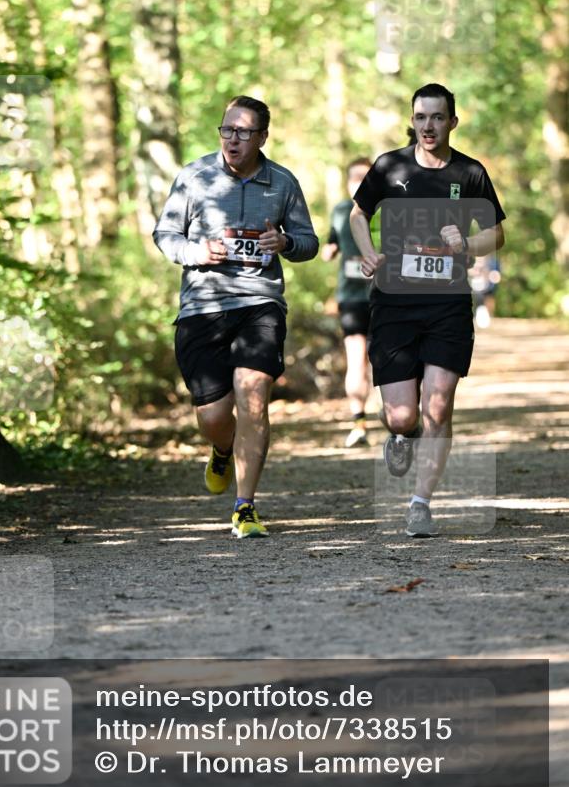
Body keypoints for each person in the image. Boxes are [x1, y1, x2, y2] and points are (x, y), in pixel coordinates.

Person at [153, 95, 319, 539]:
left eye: (244, 132)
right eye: (227, 129)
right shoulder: (194, 176)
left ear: (263, 136)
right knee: (212, 416)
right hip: (202, 305)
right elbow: (165, 233)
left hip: (260, 303)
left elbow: (309, 242)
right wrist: (194, 251)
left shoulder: (281, 182)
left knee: (254, 397)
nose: (233, 139)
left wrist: (285, 243)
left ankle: (245, 507)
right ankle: (222, 449)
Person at [350, 83, 506, 537]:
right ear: (412, 121)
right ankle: (400, 434)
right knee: (403, 415)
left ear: (452, 122)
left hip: (447, 304)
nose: (429, 126)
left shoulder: (470, 173)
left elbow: (496, 233)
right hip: (395, 304)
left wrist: (468, 243)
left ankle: (421, 503)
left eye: (437, 117)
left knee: (439, 406)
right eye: (421, 117)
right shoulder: (389, 166)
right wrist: (369, 252)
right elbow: (359, 214)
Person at [322, 158, 374, 448]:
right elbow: (332, 244)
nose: (359, 183)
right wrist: (327, 252)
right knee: (356, 359)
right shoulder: (341, 211)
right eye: (354, 178)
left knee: (387, 361)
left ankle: (399, 419)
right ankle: (359, 423)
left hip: (386, 296)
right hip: (352, 298)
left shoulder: (385, 209)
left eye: (365, 177)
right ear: (347, 182)